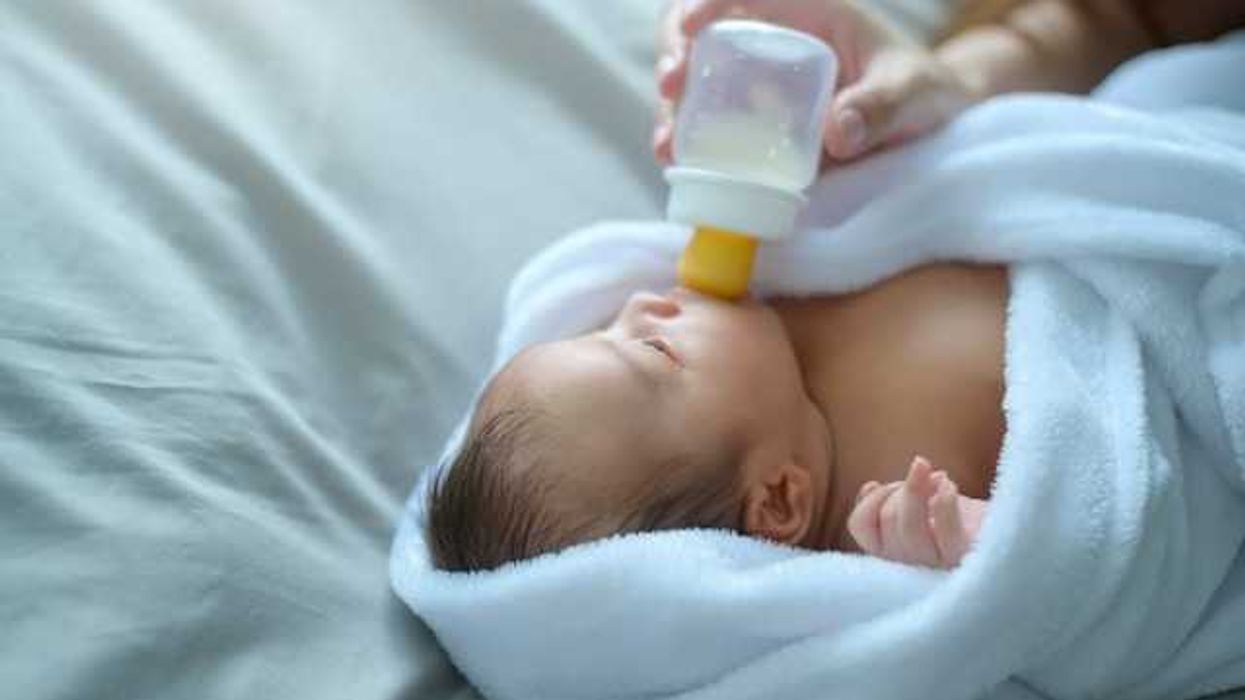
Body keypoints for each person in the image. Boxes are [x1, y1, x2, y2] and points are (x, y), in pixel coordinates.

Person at [426, 0, 1245, 574]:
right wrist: (980, 542)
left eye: (594, 329)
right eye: (648, 349)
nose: (641, 303)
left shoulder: (784, 281)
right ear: (779, 500)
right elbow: (1084, 551)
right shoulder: (888, 521)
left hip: (1157, 167)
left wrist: (890, 110)